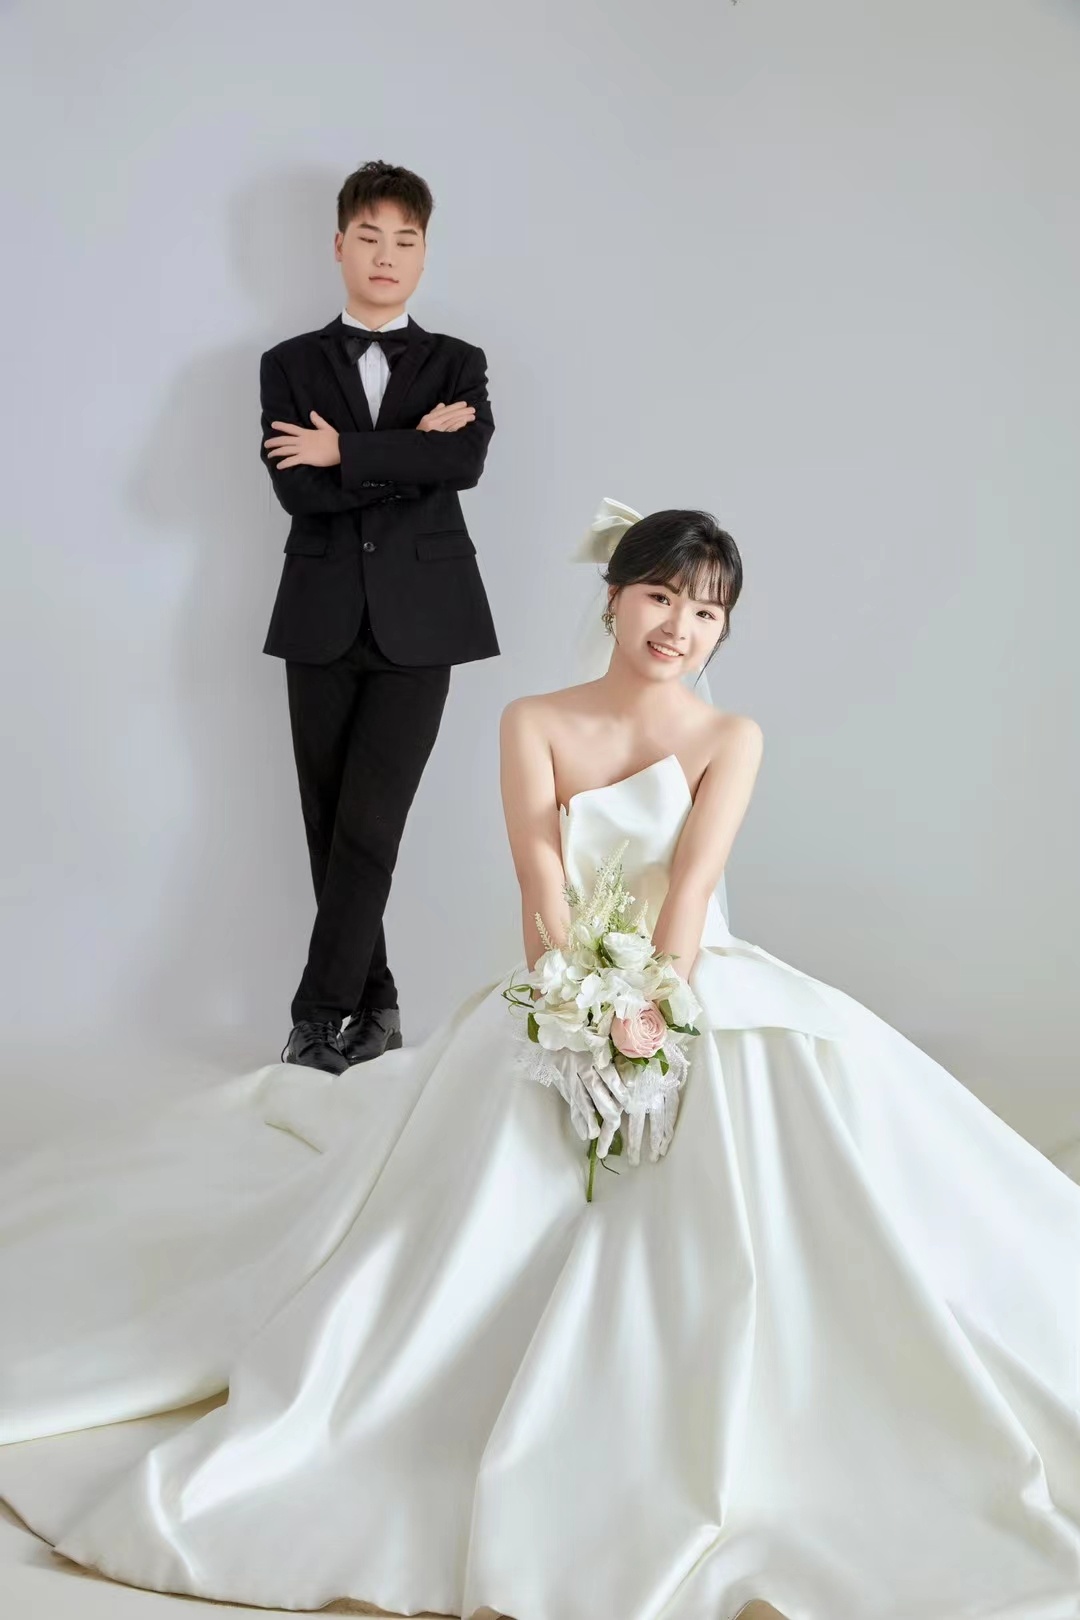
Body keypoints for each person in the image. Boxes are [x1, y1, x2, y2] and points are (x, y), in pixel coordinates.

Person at [1, 504, 1078, 1620]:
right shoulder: (535, 721)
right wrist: (574, 1015)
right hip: (567, 978)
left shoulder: (730, 737)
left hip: (689, 977)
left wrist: (652, 1021)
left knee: (779, 1124)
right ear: (613, 597)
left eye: (708, 612)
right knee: (488, 1165)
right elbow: (542, 884)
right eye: (661, 596)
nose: (680, 627)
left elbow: (691, 895)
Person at [260, 159, 498, 1074]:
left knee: (372, 826)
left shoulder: (458, 363)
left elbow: (463, 464)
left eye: (405, 239)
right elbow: (299, 492)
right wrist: (405, 453)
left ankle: (318, 1017)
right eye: (370, 236)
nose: (387, 254)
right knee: (330, 829)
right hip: (319, 618)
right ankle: (381, 1005)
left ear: (425, 253)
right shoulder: (288, 364)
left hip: (423, 624)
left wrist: (346, 451)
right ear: (339, 246)